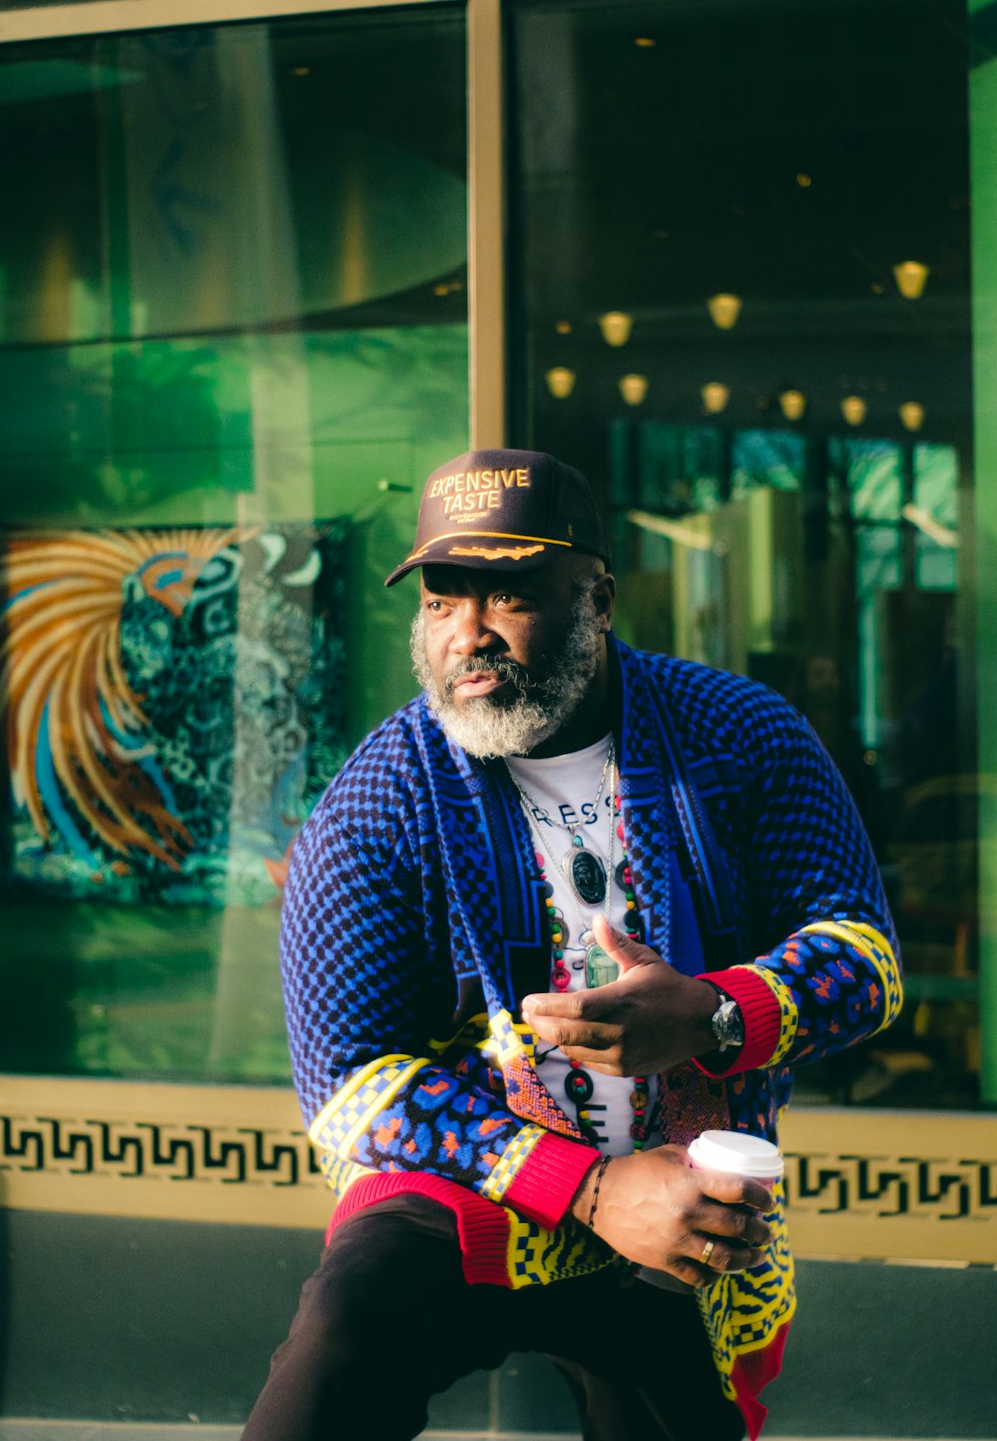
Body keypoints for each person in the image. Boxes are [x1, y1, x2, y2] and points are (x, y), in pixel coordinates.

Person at [243, 449, 902, 1441]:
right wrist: (585, 1187)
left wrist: (716, 1013)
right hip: (468, 1185)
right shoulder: (382, 792)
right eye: (441, 598)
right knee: (341, 1339)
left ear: (595, 597)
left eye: (508, 593)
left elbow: (864, 959)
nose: (468, 633)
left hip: (684, 1194)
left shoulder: (743, 737)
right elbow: (349, 1087)